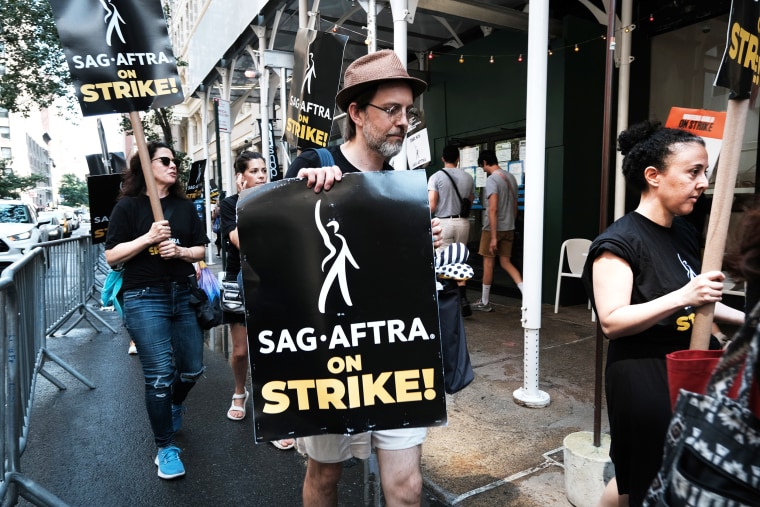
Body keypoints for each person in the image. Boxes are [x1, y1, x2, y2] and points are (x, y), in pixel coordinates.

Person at [286, 49, 440, 507]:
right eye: (391, 110)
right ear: (356, 112)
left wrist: (421, 242)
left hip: (395, 356)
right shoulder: (311, 166)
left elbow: (401, 280)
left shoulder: (401, 187)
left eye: (408, 111)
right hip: (329, 360)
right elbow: (269, 254)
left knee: (407, 489)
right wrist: (301, 198)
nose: (402, 121)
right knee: (326, 476)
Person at [581, 121, 745, 507]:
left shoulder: (684, 231)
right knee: (646, 477)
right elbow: (612, 321)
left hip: (685, 367)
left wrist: (748, 320)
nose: (703, 182)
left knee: (639, 476)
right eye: (693, 172)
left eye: (705, 171)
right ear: (653, 176)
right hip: (643, 376)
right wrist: (682, 295)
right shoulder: (619, 243)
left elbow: (699, 300)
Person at [104, 141, 209, 480]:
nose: (173, 164)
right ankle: (165, 447)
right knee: (160, 376)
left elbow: (200, 249)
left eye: (174, 159)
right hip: (144, 298)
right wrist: (148, 238)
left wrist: (179, 253)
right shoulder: (128, 208)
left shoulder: (183, 206)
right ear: (145, 168)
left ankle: (174, 403)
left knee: (192, 369)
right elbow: (111, 255)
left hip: (182, 295)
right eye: (164, 160)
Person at [220, 151, 295, 450]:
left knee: (271, 348)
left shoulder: (276, 199)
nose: (262, 175)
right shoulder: (230, 205)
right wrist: (246, 201)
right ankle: (240, 391)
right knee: (240, 351)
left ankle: (275, 415)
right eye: (254, 171)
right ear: (241, 177)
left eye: (264, 170)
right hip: (239, 278)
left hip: (273, 278)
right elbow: (240, 240)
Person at [472, 149, 523, 312]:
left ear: (485, 163)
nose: (483, 170)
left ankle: (485, 302)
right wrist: (511, 222)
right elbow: (515, 205)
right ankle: (527, 294)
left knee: (488, 263)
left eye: (482, 167)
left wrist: (493, 236)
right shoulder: (511, 178)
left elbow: (492, 208)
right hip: (509, 227)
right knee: (506, 262)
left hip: (492, 229)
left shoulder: (492, 180)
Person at [428, 144, 475, 316]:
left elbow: (432, 204)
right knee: (460, 261)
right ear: (458, 159)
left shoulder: (436, 177)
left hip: (443, 223)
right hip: (463, 222)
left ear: (442, 158)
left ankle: (447, 300)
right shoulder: (468, 177)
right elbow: (469, 200)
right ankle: (463, 298)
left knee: (443, 262)